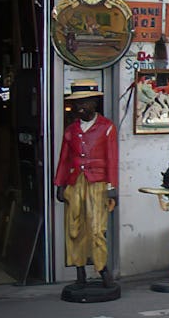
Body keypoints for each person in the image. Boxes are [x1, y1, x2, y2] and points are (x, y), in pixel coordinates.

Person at [54, 79, 118, 288]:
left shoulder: (106, 127)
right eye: (76, 103)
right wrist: (60, 184)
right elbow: (64, 158)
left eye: (84, 102)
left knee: (97, 228)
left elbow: (112, 159)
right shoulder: (71, 130)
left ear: (94, 103)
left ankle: (102, 269)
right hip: (75, 182)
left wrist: (112, 188)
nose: (80, 107)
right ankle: (79, 269)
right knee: (74, 227)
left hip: (98, 183)